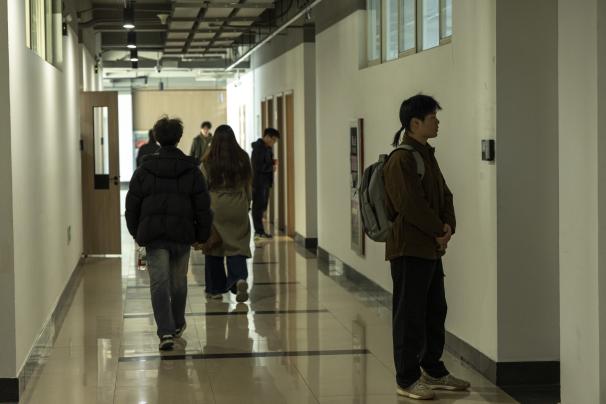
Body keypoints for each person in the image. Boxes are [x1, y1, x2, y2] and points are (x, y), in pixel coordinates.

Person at [383, 94, 470, 400]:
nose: (438, 122)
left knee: (435, 309)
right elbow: (409, 204)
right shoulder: (402, 159)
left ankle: (432, 369)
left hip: (430, 248)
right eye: (433, 117)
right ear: (415, 123)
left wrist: (448, 228)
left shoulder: (426, 155)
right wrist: (437, 230)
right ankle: (407, 378)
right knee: (409, 315)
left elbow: (445, 194)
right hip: (409, 249)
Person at [125, 116, 213, 351]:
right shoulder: (191, 170)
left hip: (154, 235)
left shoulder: (144, 170)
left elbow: (132, 205)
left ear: (157, 137)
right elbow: (203, 205)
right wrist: (202, 234)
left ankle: (165, 331)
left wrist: (136, 232)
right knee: (178, 281)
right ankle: (177, 324)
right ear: (178, 138)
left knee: (159, 282)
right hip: (182, 234)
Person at [202, 124, 252, 302]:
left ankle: (215, 289)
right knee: (237, 246)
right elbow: (248, 185)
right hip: (238, 205)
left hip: (216, 207)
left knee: (214, 247)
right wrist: (248, 203)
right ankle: (238, 280)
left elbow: (203, 187)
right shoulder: (243, 158)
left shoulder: (208, 161)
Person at [251, 127, 280, 240]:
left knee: (262, 206)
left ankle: (260, 231)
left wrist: (273, 162)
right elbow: (257, 166)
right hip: (259, 182)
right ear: (267, 137)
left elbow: (265, 162)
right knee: (258, 207)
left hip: (266, 182)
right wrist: (271, 167)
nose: (274, 142)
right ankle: (258, 232)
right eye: (274, 140)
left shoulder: (267, 148)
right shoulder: (258, 148)